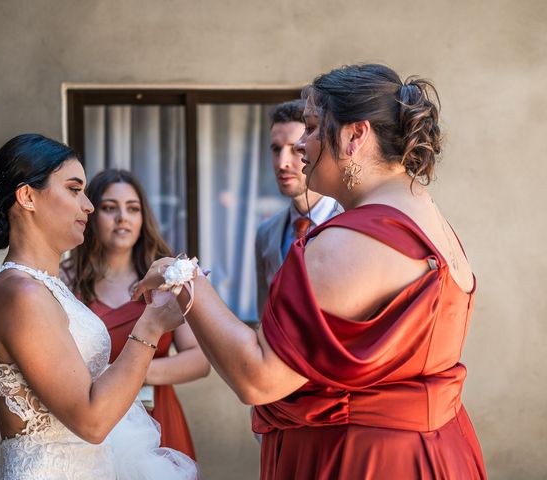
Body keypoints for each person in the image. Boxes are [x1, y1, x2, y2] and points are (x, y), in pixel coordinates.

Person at [134, 64, 487, 479]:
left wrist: (182, 277)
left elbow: (258, 378)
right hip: (437, 452)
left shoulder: (348, 241)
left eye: (315, 127)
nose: (302, 144)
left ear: (356, 135)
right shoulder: (436, 224)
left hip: (362, 460)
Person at [0, 134, 197, 479]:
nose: (87, 205)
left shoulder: (49, 288)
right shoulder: (20, 294)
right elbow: (91, 420)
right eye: (74, 190)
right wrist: (151, 324)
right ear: (27, 196)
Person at [61, 168, 209, 459]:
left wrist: (135, 372)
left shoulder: (166, 277)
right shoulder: (66, 281)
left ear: (143, 218)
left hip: (159, 415)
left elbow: (199, 360)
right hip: (93, 422)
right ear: (91, 215)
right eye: (109, 208)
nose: (122, 218)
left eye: (132, 209)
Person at [256, 100, 343, 318]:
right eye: (276, 149)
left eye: (295, 149)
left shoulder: (350, 223)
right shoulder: (266, 233)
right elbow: (264, 315)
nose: (282, 163)